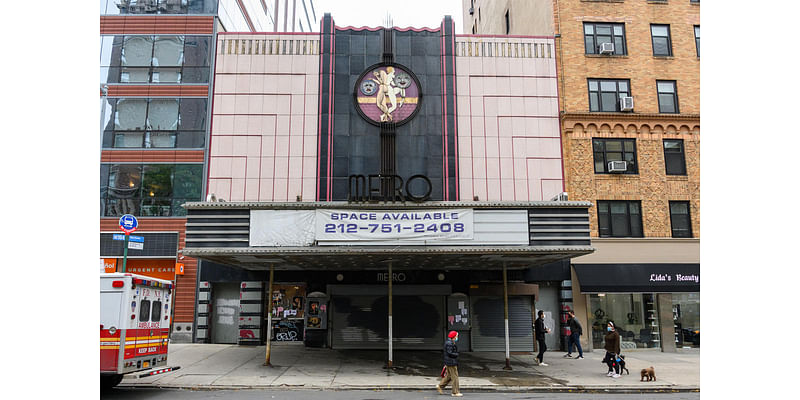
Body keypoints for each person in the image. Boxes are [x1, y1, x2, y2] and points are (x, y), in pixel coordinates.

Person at [437, 331, 463, 397]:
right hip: (451, 362)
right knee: (455, 377)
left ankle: (440, 386)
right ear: (453, 337)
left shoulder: (450, 342)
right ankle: (455, 392)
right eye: (457, 336)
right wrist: (456, 354)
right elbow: (449, 353)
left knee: (449, 376)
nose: (457, 337)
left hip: (449, 361)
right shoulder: (449, 343)